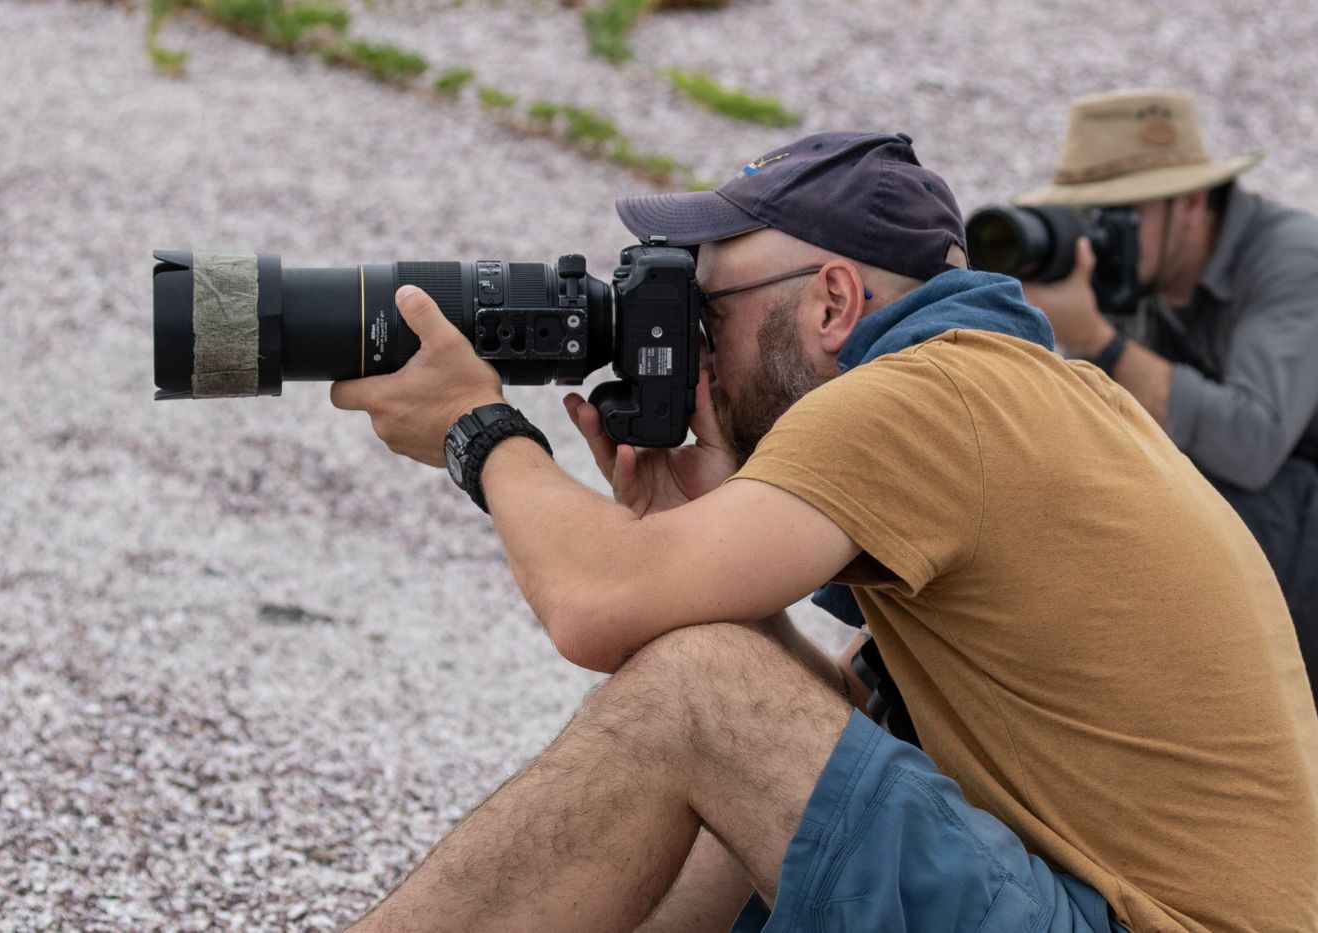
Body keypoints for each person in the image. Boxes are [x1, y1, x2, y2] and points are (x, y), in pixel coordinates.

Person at [330, 132, 1318, 933]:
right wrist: (703, 553)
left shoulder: (932, 395)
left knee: (696, 695)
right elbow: (837, 733)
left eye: (705, 313)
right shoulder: (1021, 392)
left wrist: (479, 430)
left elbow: (592, 607)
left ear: (834, 301)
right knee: (733, 712)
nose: (693, 350)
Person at [1017, 89, 1318, 700]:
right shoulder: (1132, 273)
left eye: (1117, 216)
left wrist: (1096, 339)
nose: (1100, 240)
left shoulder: (1292, 259)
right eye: (1087, 215)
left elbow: (1251, 445)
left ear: (1192, 202)